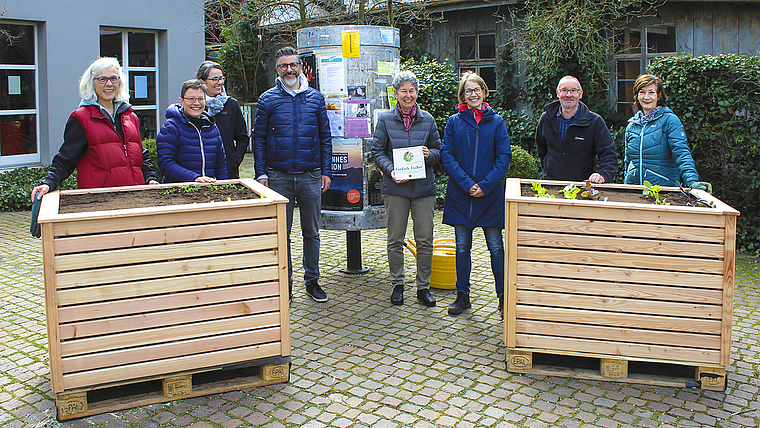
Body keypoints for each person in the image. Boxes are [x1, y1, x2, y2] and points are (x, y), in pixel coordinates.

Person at [253, 47, 332, 302]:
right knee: (281, 234)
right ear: (277, 69)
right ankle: (284, 284)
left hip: (310, 175)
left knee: (312, 232)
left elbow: (325, 138)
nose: (289, 69)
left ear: (300, 67)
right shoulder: (267, 100)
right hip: (278, 177)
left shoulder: (316, 98)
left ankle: (312, 281)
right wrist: (261, 174)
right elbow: (260, 140)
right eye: (283, 66)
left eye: (293, 65)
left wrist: (326, 171)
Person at [30, 57, 158, 201]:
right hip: (100, 201)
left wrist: (150, 178)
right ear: (92, 83)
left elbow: (140, 155)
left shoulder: (130, 116)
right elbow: (66, 159)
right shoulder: (81, 118)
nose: (109, 84)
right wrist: (48, 183)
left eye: (114, 78)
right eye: (102, 79)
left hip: (136, 197)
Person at [441, 72, 512, 315]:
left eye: (477, 89)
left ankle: (503, 298)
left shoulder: (497, 122)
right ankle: (462, 296)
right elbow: (447, 155)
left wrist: (486, 185)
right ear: (463, 95)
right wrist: (466, 184)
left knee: (496, 247)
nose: (473, 94)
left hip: (489, 196)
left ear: (484, 92)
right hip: (461, 196)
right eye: (468, 90)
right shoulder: (454, 122)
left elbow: (503, 157)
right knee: (462, 247)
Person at [371, 70, 441, 308]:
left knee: (425, 240)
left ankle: (423, 287)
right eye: (404, 91)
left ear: (417, 93)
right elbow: (377, 152)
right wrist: (391, 170)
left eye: (412, 91)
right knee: (395, 239)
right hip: (395, 189)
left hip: (423, 190)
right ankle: (397, 284)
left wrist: (428, 154)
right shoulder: (385, 120)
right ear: (396, 94)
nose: (408, 95)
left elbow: (439, 151)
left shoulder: (428, 120)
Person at [623, 74, 710, 191]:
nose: (646, 97)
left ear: (659, 96)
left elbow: (681, 153)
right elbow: (628, 162)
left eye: (651, 92)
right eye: (642, 92)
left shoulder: (670, 121)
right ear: (637, 95)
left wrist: (692, 181)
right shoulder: (632, 125)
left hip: (662, 191)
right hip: (633, 191)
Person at [535, 75, 617, 184]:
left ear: (580, 94)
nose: (569, 95)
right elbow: (542, 149)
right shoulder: (546, 119)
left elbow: (608, 153)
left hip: (583, 186)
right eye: (564, 90)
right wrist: (548, 168)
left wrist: (603, 175)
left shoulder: (594, 122)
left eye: (573, 91)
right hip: (552, 184)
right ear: (558, 93)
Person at [156, 79, 228, 183]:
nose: (196, 103)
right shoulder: (170, 127)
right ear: (181, 101)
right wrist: (194, 178)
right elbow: (166, 164)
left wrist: (224, 189)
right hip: (179, 192)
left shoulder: (211, 127)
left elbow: (221, 166)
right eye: (191, 99)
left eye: (200, 99)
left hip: (209, 190)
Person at [196, 61, 249, 179]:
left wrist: (234, 160)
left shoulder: (231, 104)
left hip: (227, 170)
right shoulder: (196, 106)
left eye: (221, 78)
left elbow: (242, 137)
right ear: (203, 81)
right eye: (215, 79)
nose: (219, 83)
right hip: (201, 171)